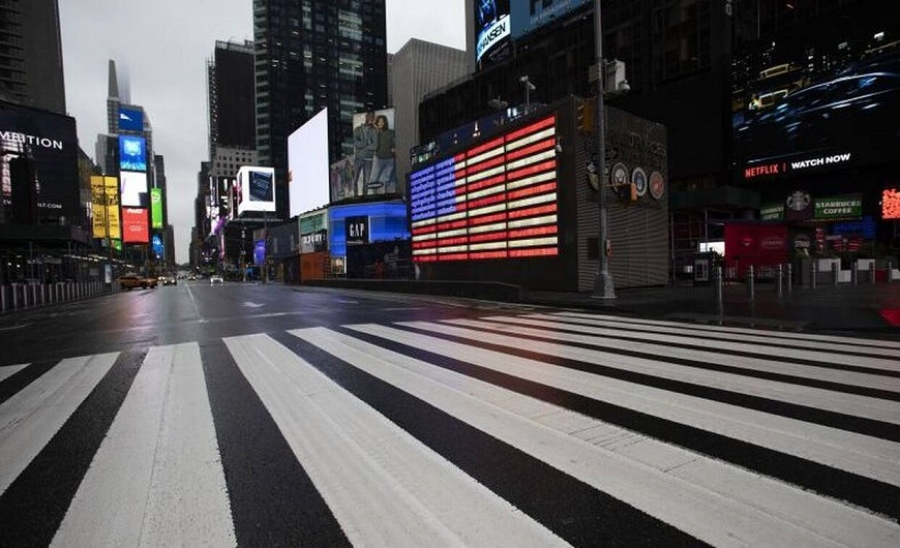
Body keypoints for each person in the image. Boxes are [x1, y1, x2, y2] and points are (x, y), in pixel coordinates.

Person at [369, 114, 396, 193]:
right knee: (373, 179)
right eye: (379, 121)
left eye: (382, 122)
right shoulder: (375, 133)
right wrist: (375, 126)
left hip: (389, 159)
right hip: (378, 159)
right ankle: (372, 197)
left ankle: (384, 197)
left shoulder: (391, 132)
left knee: (385, 180)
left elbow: (395, 142)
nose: (380, 123)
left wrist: (394, 149)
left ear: (385, 123)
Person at [353, 112, 377, 196]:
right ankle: (355, 196)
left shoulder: (374, 131)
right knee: (354, 179)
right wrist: (367, 144)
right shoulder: (357, 129)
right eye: (369, 116)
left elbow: (375, 146)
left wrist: (363, 145)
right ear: (366, 117)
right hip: (358, 158)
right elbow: (356, 143)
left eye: (372, 117)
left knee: (366, 181)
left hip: (368, 159)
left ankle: (364, 197)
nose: (370, 118)